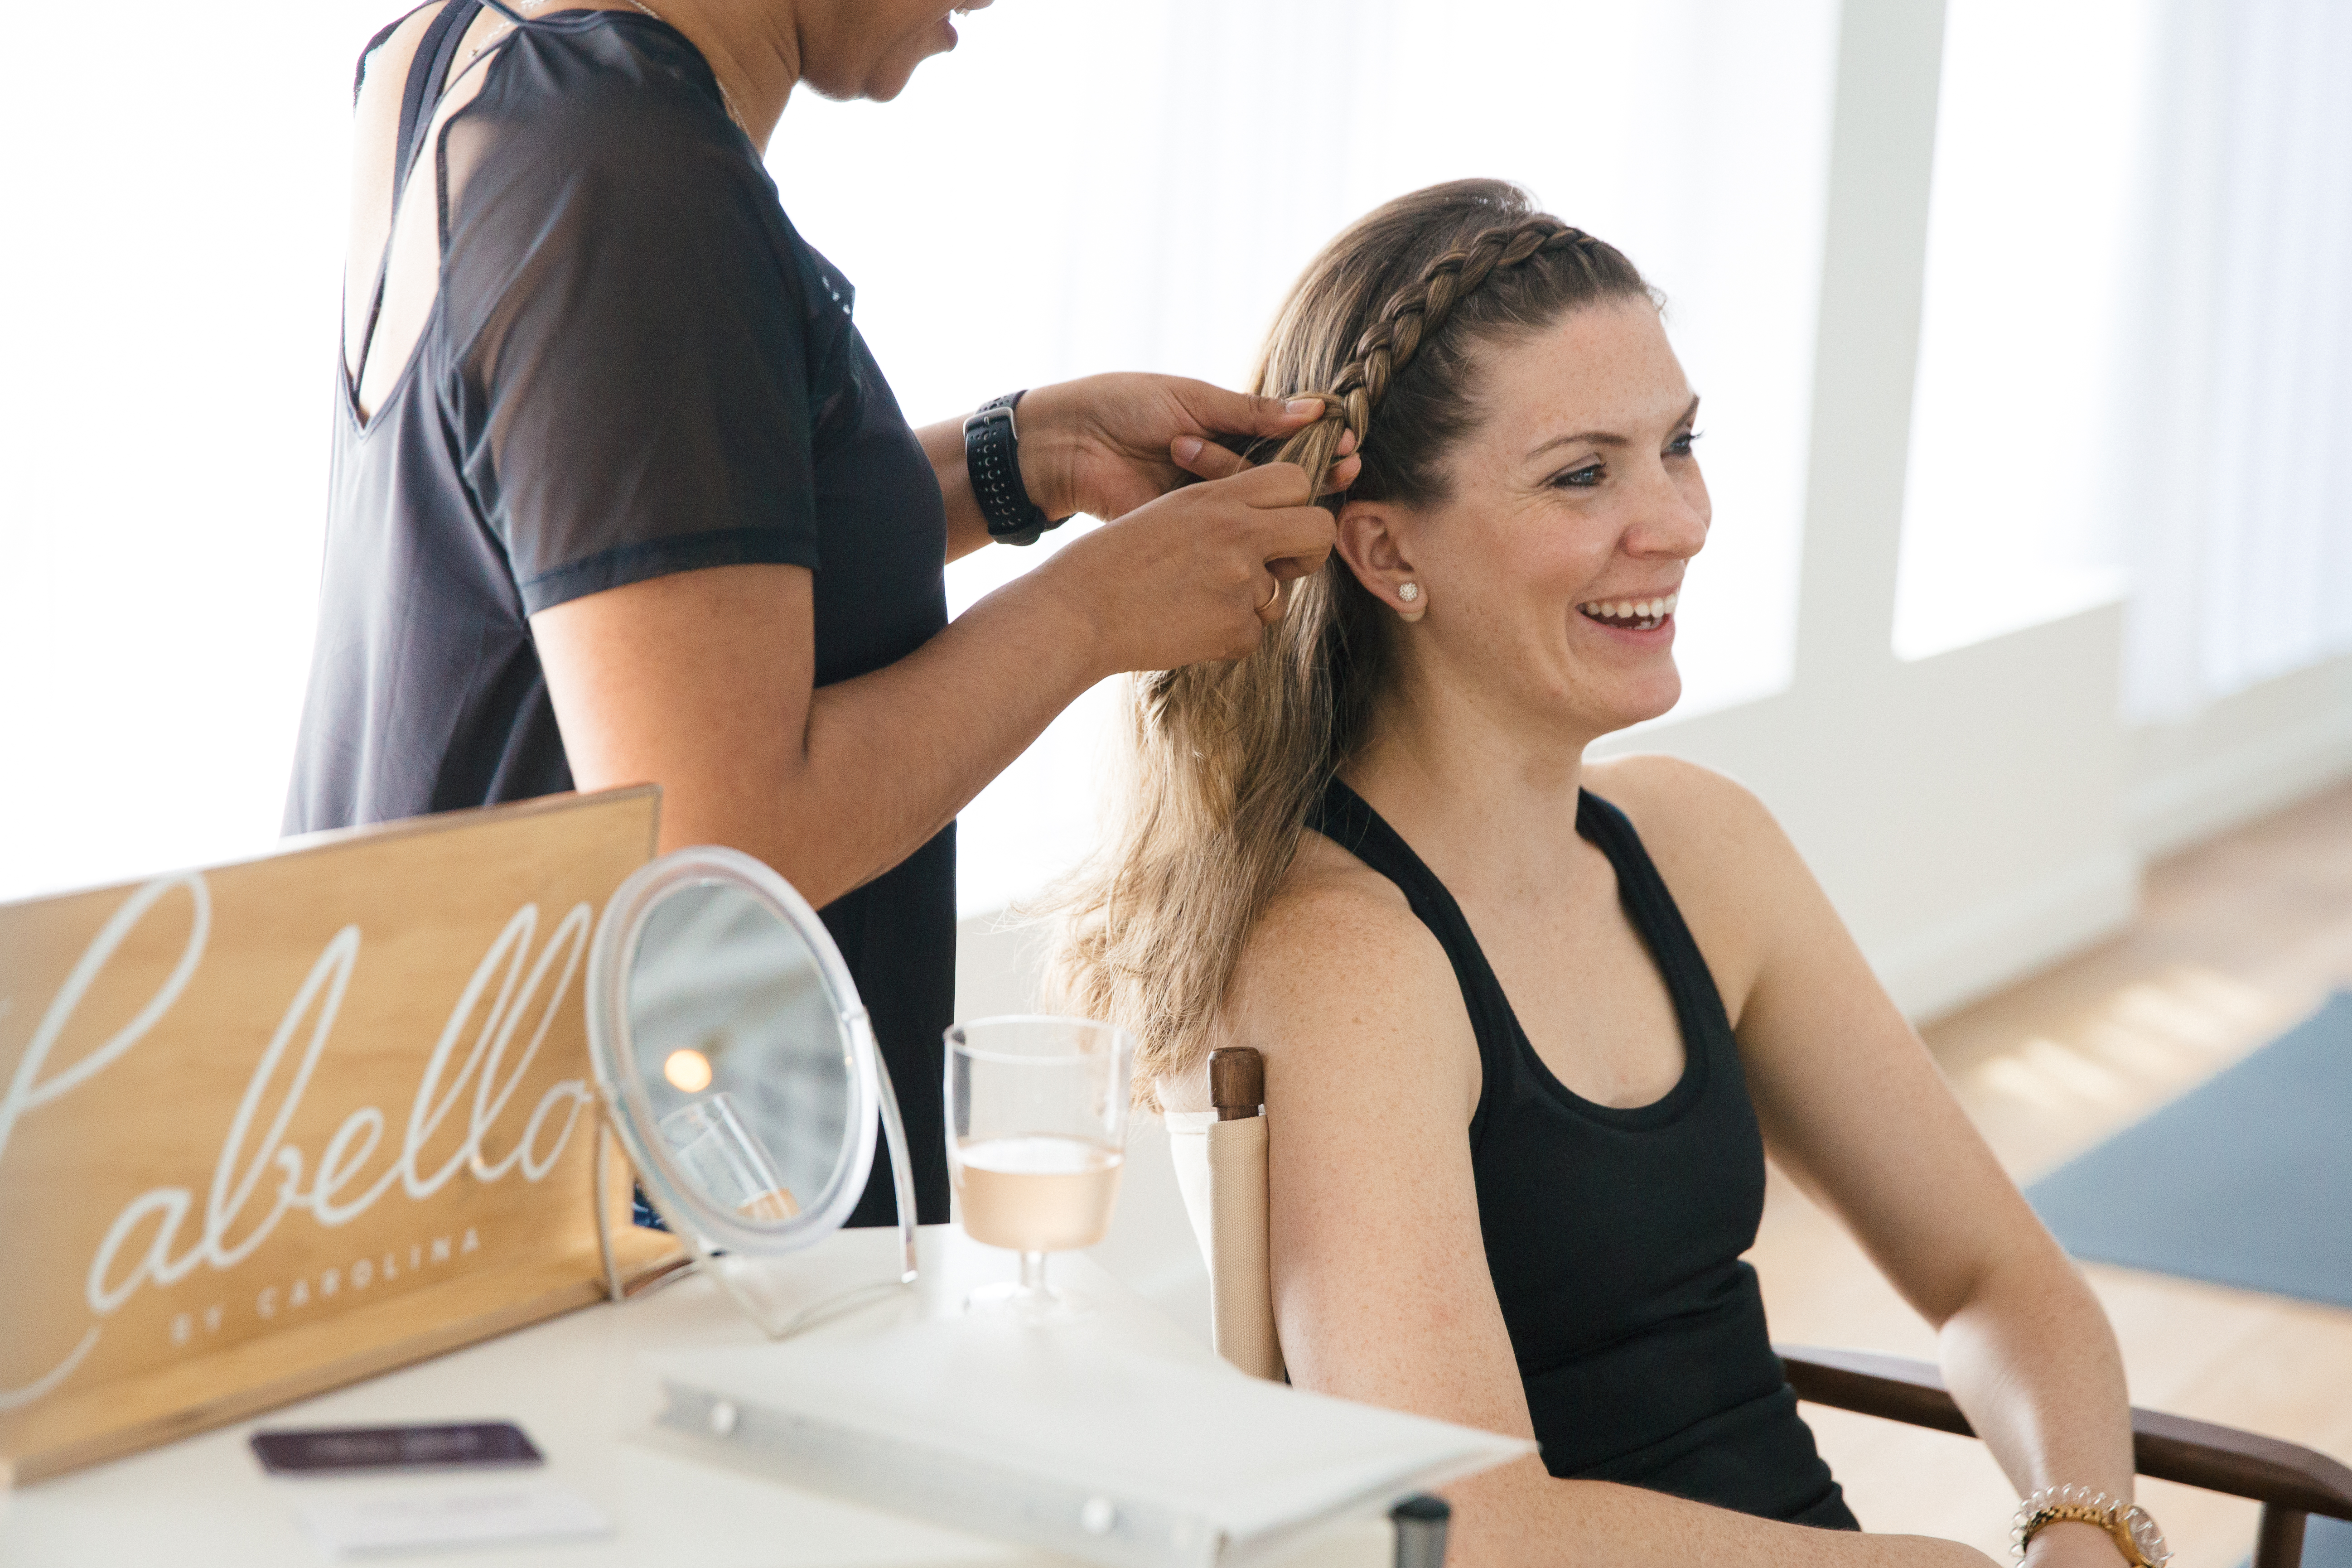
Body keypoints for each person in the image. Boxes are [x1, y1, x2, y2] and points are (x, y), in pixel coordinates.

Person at [1050, 180, 2160, 1568]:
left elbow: (2005, 1285)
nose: (1678, 521)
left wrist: (2083, 1530)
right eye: (1584, 474)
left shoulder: (1698, 849)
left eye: (1677, 446)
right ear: (1385, 548)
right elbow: (1474, 1526)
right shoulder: (1339, 958)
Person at [284, 0, 1348, 1226]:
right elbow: (717, 844)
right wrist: (1094, 615)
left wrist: (1018, 461)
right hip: (606, 1230)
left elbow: (621, 572)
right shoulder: (623, 171)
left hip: (426, 1145)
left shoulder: (470, 60)